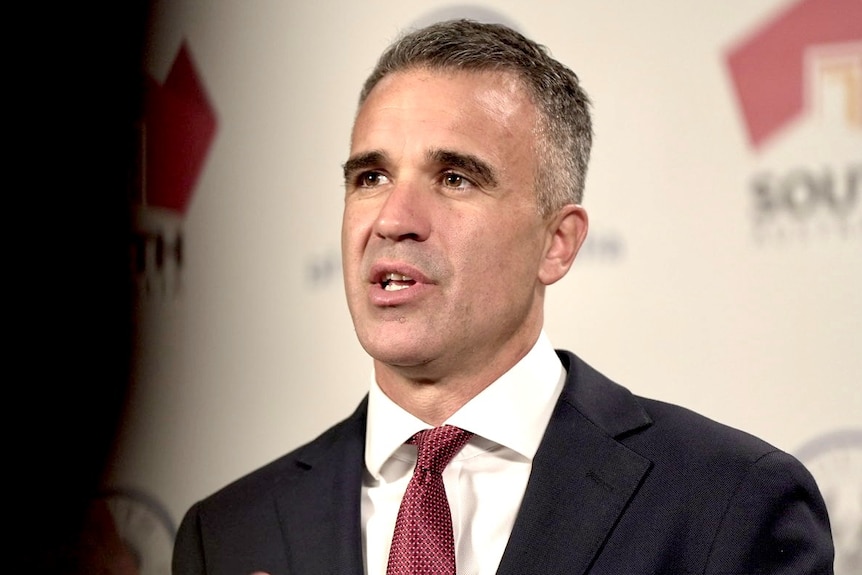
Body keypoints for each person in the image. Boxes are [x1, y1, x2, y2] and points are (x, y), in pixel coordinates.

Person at [172, 19, 833, 575]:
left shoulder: (727, 502)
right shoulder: (228, 533)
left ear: (557, 242)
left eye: (455, 177)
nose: (394, 216)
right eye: (371, 175)